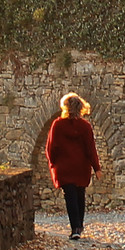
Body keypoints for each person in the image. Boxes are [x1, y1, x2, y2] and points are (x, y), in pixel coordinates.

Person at [45, 92, 100, 240]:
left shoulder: (57, 125)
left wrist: (53, 163)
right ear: (81, 108)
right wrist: (97, 168)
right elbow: (90, 149)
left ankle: (75, 227)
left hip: (64, 167)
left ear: (65, 107)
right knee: (80, 194)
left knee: (70, 196)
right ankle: (79, 226)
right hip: (81, 166)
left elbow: (51, 147)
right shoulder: (85, 126)